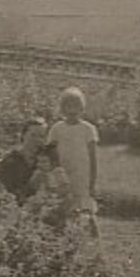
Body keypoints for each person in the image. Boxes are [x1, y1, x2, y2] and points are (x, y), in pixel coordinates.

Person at [48, 87, 101, 236]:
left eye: (76, 106)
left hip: (81, 173)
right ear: (62, 108)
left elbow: (93, 157)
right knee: (64, 203)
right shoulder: (57, 128)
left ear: (82, 108)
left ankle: (94, 238)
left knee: (85, 205)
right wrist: (56, 172)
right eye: (68, 106)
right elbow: (51, 152)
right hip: (63, 173)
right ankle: (64, 235)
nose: (72, 110)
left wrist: (92, 180)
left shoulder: (88, 129)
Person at [0, 117, 48, 202]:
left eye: (41, 136)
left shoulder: (46, 160)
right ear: (23, 135)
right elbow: (7, 193)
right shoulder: (10, 161)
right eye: (33, 135)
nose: (37, 140)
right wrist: (32, 183)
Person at [24, 144, 73, 227]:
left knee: (51, 211)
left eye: (44, 162)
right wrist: (35, 179)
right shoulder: (39, 173)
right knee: (30, 207)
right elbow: (31, 187)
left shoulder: (58, 172)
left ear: (53, 162)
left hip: (56, 201)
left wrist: (53, 190)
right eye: (38, 162)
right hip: (42, 199)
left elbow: (66, 189)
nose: (40, 164)